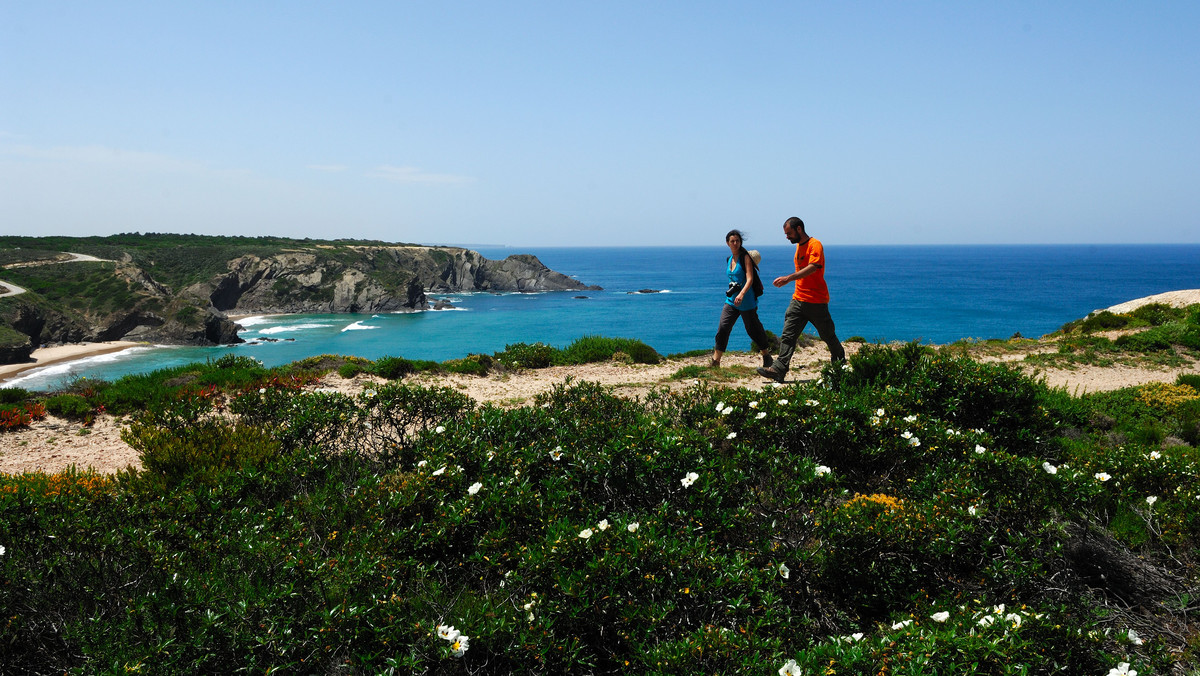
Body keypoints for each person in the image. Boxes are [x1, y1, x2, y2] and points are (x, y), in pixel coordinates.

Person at [756, 217, 845, 382]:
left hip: (816, 301)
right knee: (788, 335)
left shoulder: (814, 244)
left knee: (828, 336)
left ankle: (840, 364)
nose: (787, 237)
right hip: (798, 299)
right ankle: (778, 369)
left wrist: (789, 278)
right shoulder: (798, 247)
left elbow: (813, 267)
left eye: (789, 233)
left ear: (798, 229)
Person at [712, 229, 774, 369]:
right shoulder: (729, 259)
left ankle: (766, 355)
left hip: (746, 301)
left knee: (753, 329)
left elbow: (750, 279)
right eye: (732, 241)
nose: (735, 243)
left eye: (737, 241)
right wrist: (735, 293)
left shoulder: (745, 257)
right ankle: (716, 361)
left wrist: (741, 294)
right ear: (727, 243)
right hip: (731, 301)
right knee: (723, 328)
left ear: (740, 243)